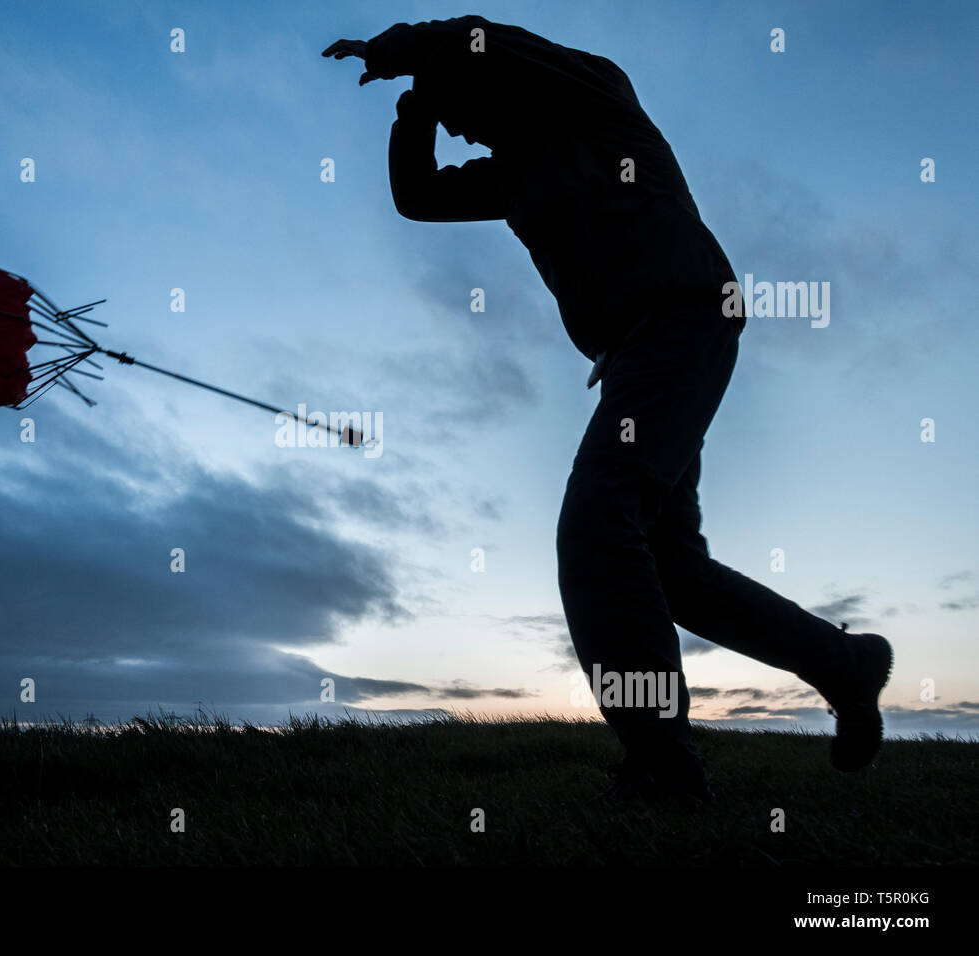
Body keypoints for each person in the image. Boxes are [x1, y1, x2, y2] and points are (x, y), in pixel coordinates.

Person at [324, 15, 893, 804]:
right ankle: (846, 666)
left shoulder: (591, 95)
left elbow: (481, 38)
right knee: (671, 570)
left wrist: (405, 49)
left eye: (455, 105)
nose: (457, 125)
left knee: (598, 524)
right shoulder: (515, 170)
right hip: (634, 354)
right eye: (446, 118)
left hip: (684, 320)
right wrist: (414, 110)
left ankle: (662, 765)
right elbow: (418, 197)